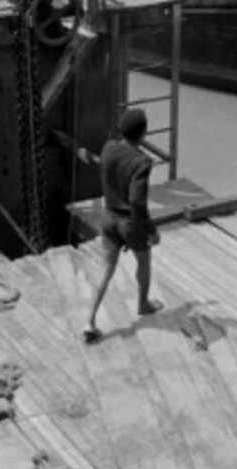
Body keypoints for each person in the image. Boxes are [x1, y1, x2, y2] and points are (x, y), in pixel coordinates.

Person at [82, 108, 163, 343]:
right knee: (144, 262)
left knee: (105, 270)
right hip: (130, 223)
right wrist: (151, 230)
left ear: (121, 129)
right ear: (144, 133)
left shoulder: (108, 148)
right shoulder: (142, 162)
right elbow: (137, 202)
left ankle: (89, 320)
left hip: (108, 218)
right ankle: (143, 303)